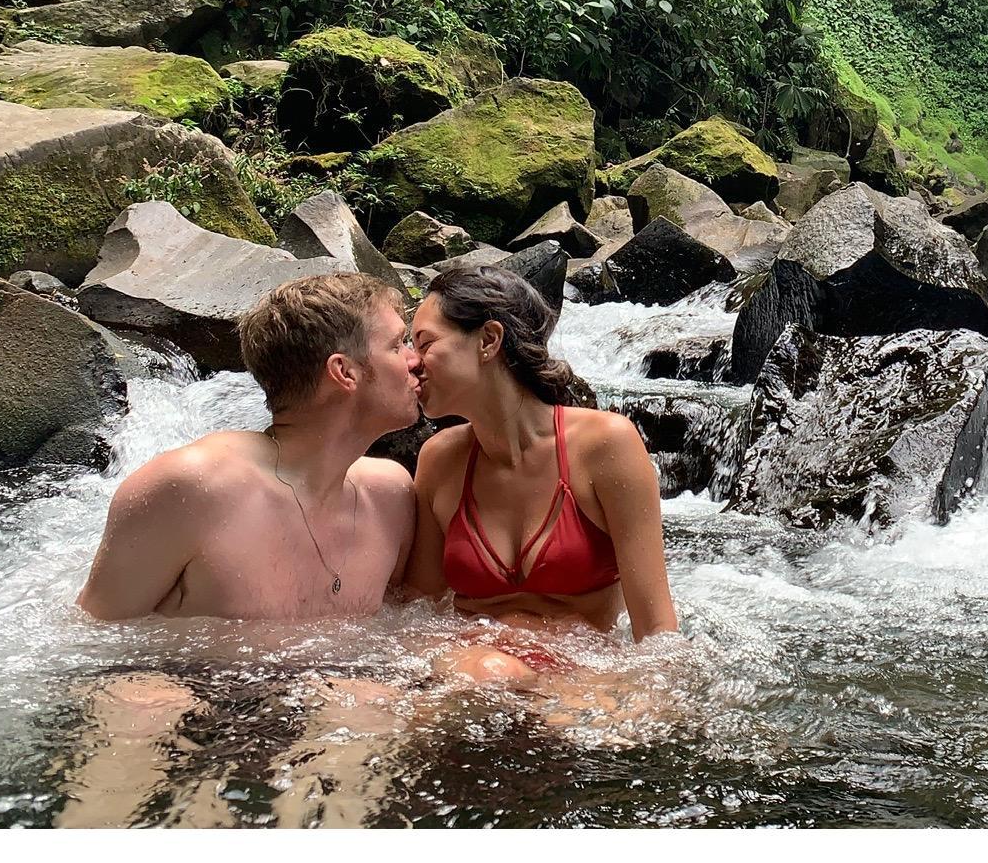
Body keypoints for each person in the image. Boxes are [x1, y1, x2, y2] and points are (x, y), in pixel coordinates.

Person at [77, 272, 422, 621]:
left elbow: (410, 627)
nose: (416, 361)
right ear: (344, 372)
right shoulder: (191, 488)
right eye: (397, 345)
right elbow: (89, 648)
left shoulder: (391, 497)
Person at [404, 268, 678, 671]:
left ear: (488, 340)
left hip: (577, 682)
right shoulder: (439, 460)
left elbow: (656, 627)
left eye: (424, 343)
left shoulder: (605, 446)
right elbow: (416, 614)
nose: (411, 362)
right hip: (471, 676)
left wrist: (642, 707)